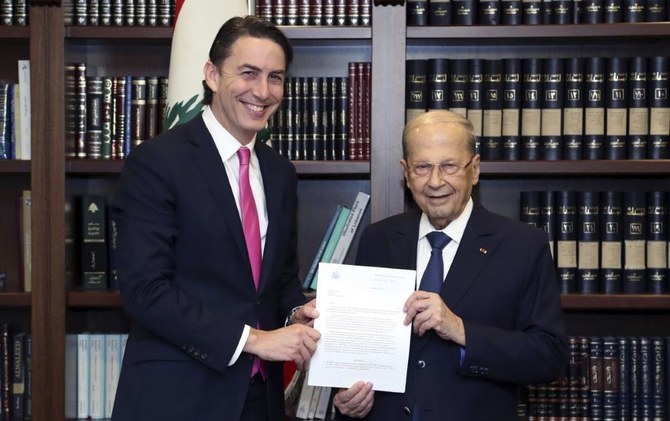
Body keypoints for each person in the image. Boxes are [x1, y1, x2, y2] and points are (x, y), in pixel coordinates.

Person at [110, 16, 320, 421]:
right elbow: (145, 291)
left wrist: (296, 314)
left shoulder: (279, 172)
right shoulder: (157, 162)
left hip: (261, 397)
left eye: (275, 78)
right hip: (179, 397)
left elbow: (279, 281)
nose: (262, 91)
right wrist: (255, 339)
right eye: (248, 73)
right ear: (211, 74)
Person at [332, 110, 569, 421]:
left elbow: (549, 357)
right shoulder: (378, 239)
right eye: (423, 167)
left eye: (449, 166)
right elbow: (357, 348)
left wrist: (461, 330)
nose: (435, 181)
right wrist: (347, 398)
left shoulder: (523, 245)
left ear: (474, 170)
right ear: (406, 172)